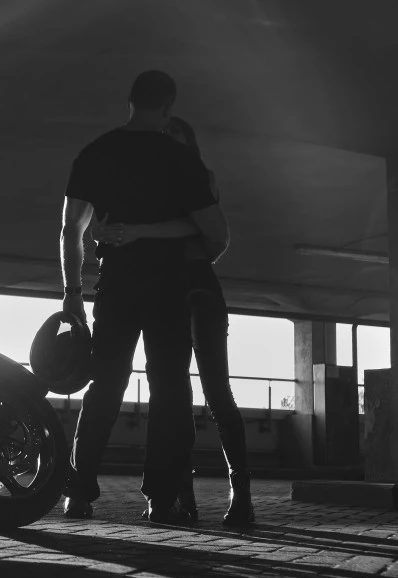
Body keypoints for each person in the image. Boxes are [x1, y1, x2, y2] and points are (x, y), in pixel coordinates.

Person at [60, 70, 222, 524]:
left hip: (115, 285)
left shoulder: (96, 152)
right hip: (169, 288)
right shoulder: (182, 161)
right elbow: (218, 237)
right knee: (169, 391)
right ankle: (161, 498)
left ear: (128, 100)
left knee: (104, 388)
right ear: (168, 107)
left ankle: (78, 494)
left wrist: (72, 293)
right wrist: (167, 231)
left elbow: (70, 228)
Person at [95, 116, 255, 526]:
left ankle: (242, 493)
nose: (166, 143)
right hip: (165, 292)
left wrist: (176, 252)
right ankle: (181, 491)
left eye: (175, 137)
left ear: (189, 144)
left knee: (217, 392)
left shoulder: (201, 178)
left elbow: (216, 237)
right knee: (174, 396)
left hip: (197, 289)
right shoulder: (146, 183)